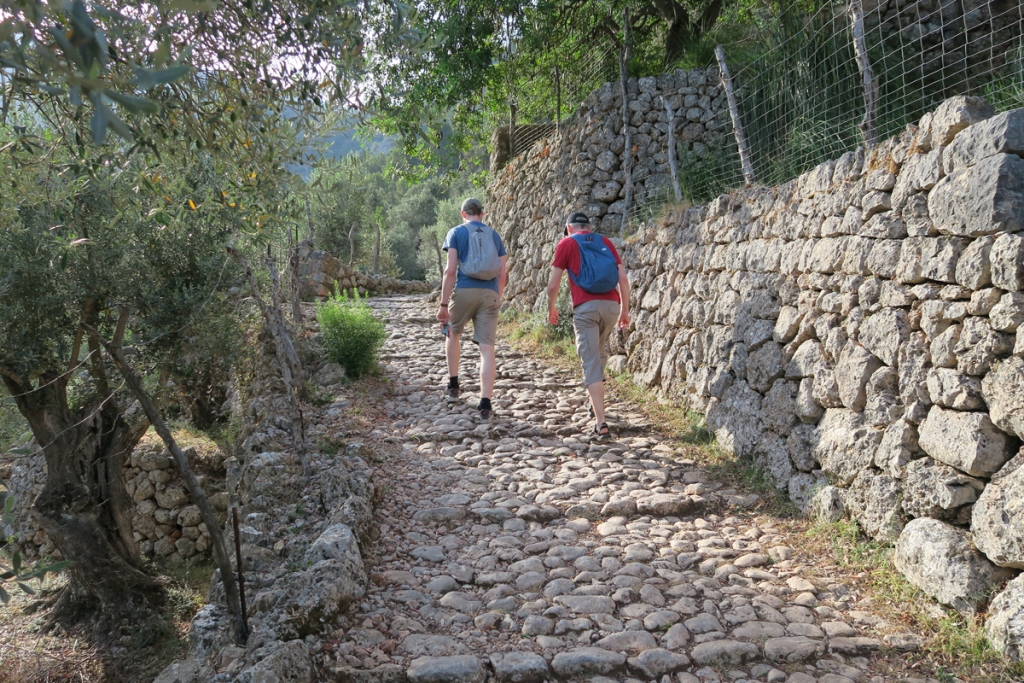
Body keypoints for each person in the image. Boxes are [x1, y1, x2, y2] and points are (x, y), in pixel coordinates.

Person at [547, 212, 630, 438]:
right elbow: (623, 279)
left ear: (569, 228)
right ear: (589, 228)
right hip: (611, 307)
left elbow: (553, 285)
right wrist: (625, 310)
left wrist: (551, 307)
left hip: (586, 308)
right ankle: (593, 401)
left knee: (591, 360)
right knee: (599, 352)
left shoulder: (566, 243)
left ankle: (601, 423)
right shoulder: (605, 242)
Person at [436, 197, 508, 420]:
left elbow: (450, 271)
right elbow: (502, 272)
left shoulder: (456, 232)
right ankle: (485, 403)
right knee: (487, 349)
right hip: (490, 295)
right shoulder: (493, 235)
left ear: (463, 213)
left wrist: (443, 304)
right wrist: (497, 295)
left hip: (465, 290)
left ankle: (454, 386)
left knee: (452, 332)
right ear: (482, 214)